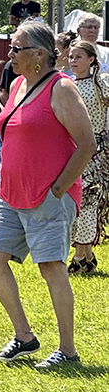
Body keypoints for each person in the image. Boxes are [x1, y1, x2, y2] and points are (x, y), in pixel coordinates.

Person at [0, 20, 94, 368]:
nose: (10, 54)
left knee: (51, 267)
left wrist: (59, 189)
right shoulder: (17, 84)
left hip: (48, 196)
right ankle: (24, 336)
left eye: (17, 48)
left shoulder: (61, 89)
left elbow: (87, 144)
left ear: (40, 55)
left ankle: (68, 350)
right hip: (10, 192)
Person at [66, 40, 109, 273]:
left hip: (97, 153)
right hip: (72, 152)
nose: (73, 61)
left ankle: (80, 255)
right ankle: (87, 256)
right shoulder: (67, 85)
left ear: (91, 59)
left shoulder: (101, 82)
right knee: (76, 203)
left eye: (78, 57)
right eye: (71, 57)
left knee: (89, 202)